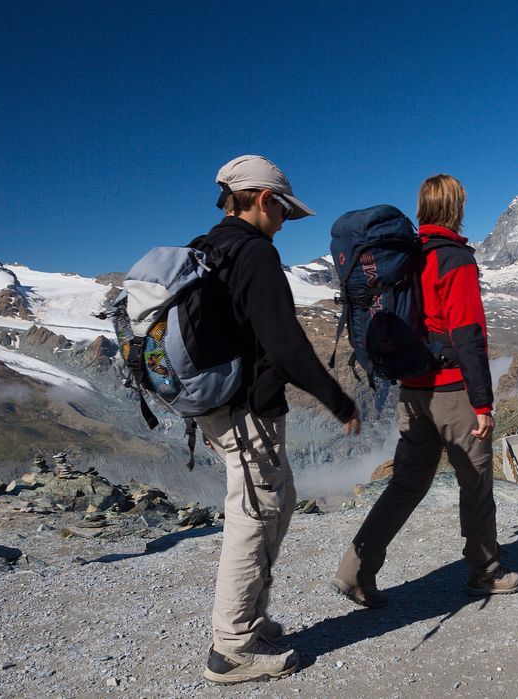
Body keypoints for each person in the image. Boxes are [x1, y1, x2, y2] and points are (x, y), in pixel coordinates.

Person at [195, 155, 361, 684]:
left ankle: (253, 621)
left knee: (277, 499)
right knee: (253, 514)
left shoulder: (209, 247)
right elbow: (285, 344)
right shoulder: (254, 253)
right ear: (265, 199)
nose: (287, 222)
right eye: (286, 210)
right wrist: (338, 400)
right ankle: (233, 648)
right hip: (245, 410)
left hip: (220, 406)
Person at [332, 174, 518, 607]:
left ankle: (355, 571)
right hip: (453, 391)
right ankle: (486, 571)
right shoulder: (453, 258)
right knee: (474, 482)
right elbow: (468, 333)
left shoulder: (403, 257)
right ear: (456, 208)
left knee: (405, 485)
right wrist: (482, 403)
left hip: (412, 391)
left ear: (421, 209)